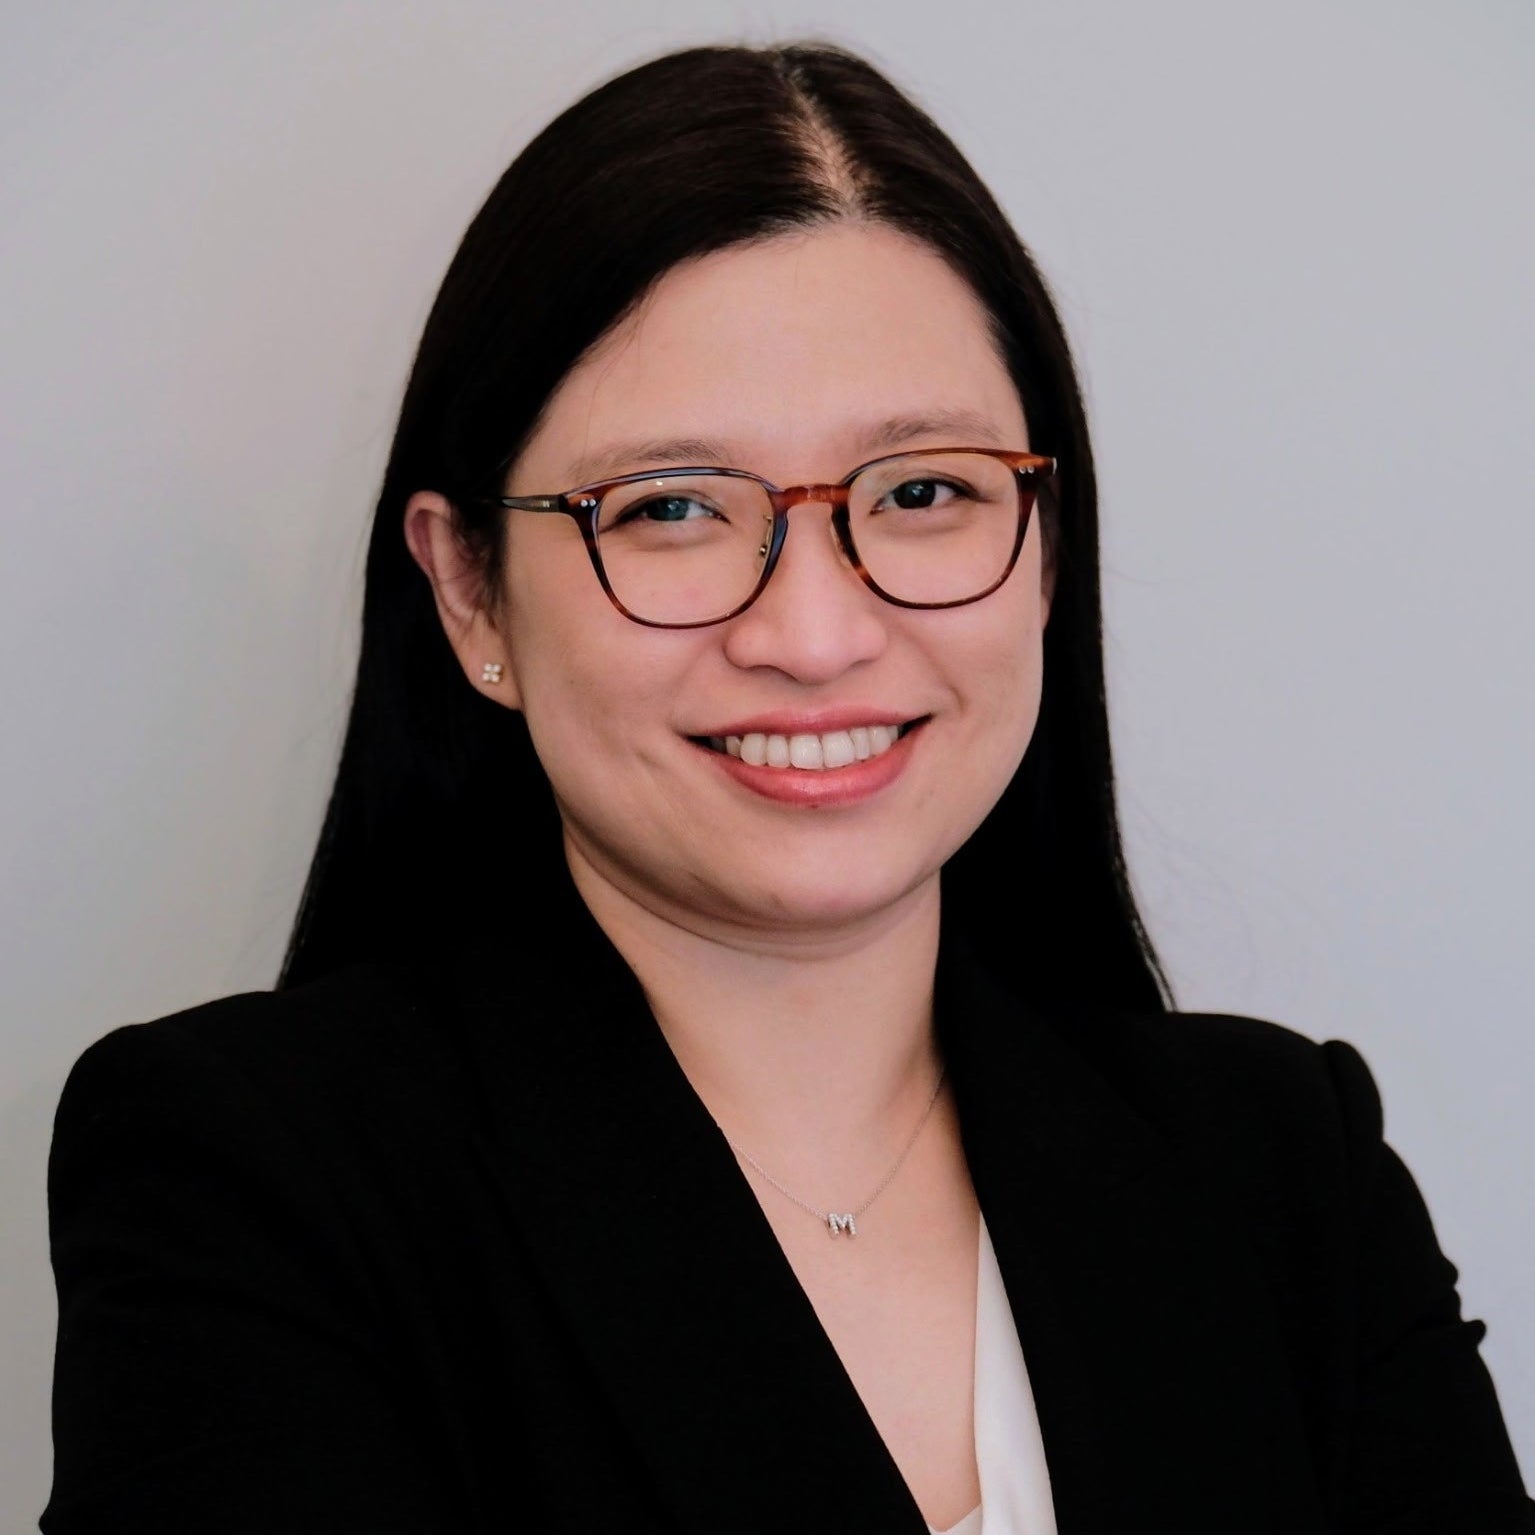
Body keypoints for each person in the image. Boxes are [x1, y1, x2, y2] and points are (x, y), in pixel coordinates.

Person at [42, 40, 1532, 1535]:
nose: (815, 636)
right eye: (673, 507)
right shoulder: (252, 1179)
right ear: (470, 594)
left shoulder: (1283, 1174)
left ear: (1048, 548)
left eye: (924, 492)